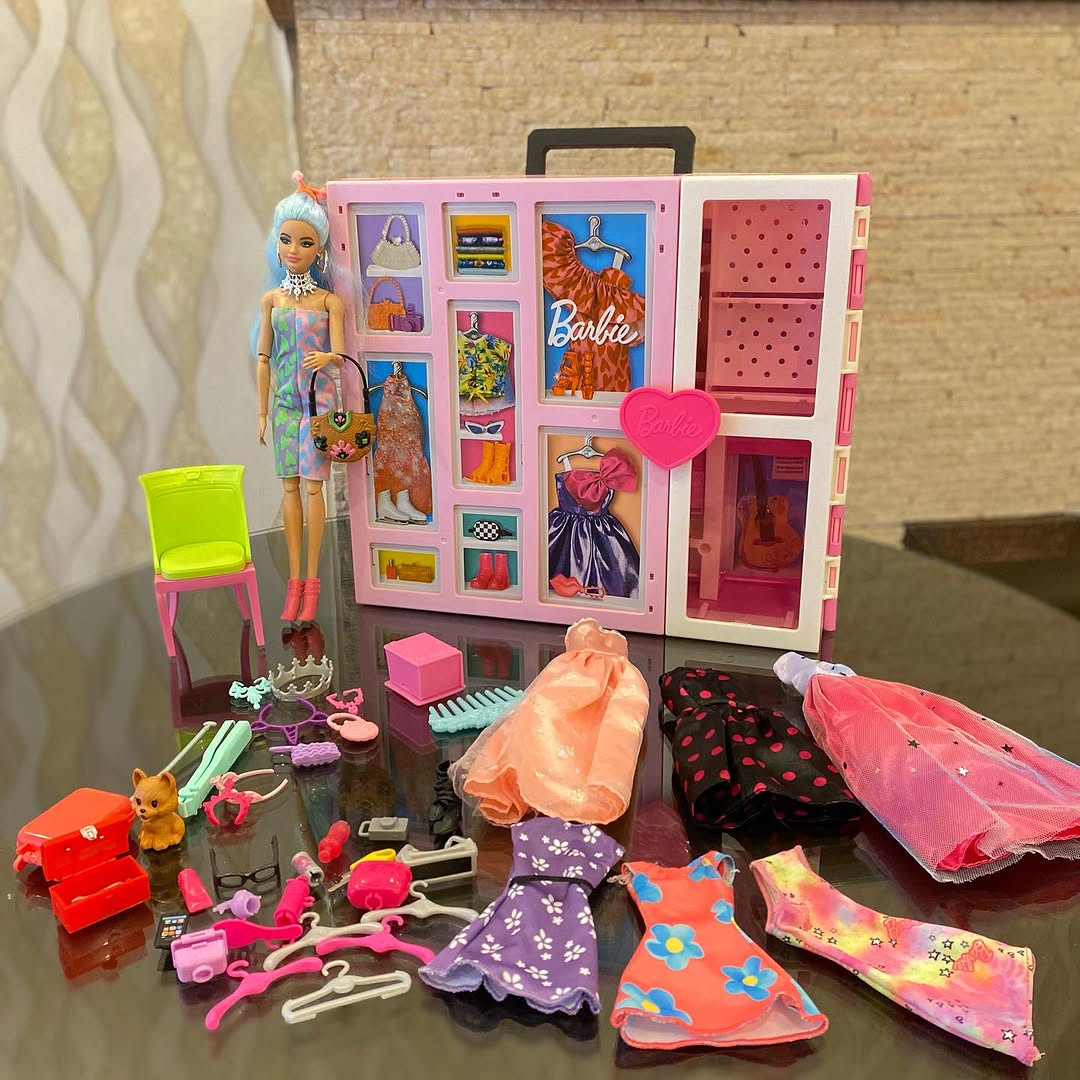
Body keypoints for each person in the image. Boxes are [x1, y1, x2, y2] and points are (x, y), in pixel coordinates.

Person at [253, 172, 344, 623]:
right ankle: (294, 583)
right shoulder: (272, 300)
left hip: (318, 406)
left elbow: (341, 356)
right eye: (286, 239)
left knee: (313, 488)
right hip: (284, 409)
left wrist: (328, 355)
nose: (294, 249)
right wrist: (261, 413)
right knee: (289, 487)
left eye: (305, 242)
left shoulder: (328, 303)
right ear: (276, 243)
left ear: (319, 249)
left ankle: (313, 583)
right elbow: (263, 358)